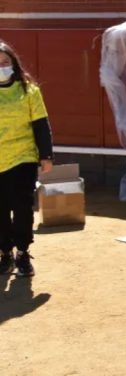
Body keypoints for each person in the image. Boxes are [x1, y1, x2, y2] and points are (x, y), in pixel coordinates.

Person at [0, 40, 54, 278]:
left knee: (22, 208)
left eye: (4, 62)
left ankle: (23, 252)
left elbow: (41, 124)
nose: (1, 66)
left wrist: (46, 156)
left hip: (23, 157)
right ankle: (5, 253)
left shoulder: (29, 90)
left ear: (13, 63)